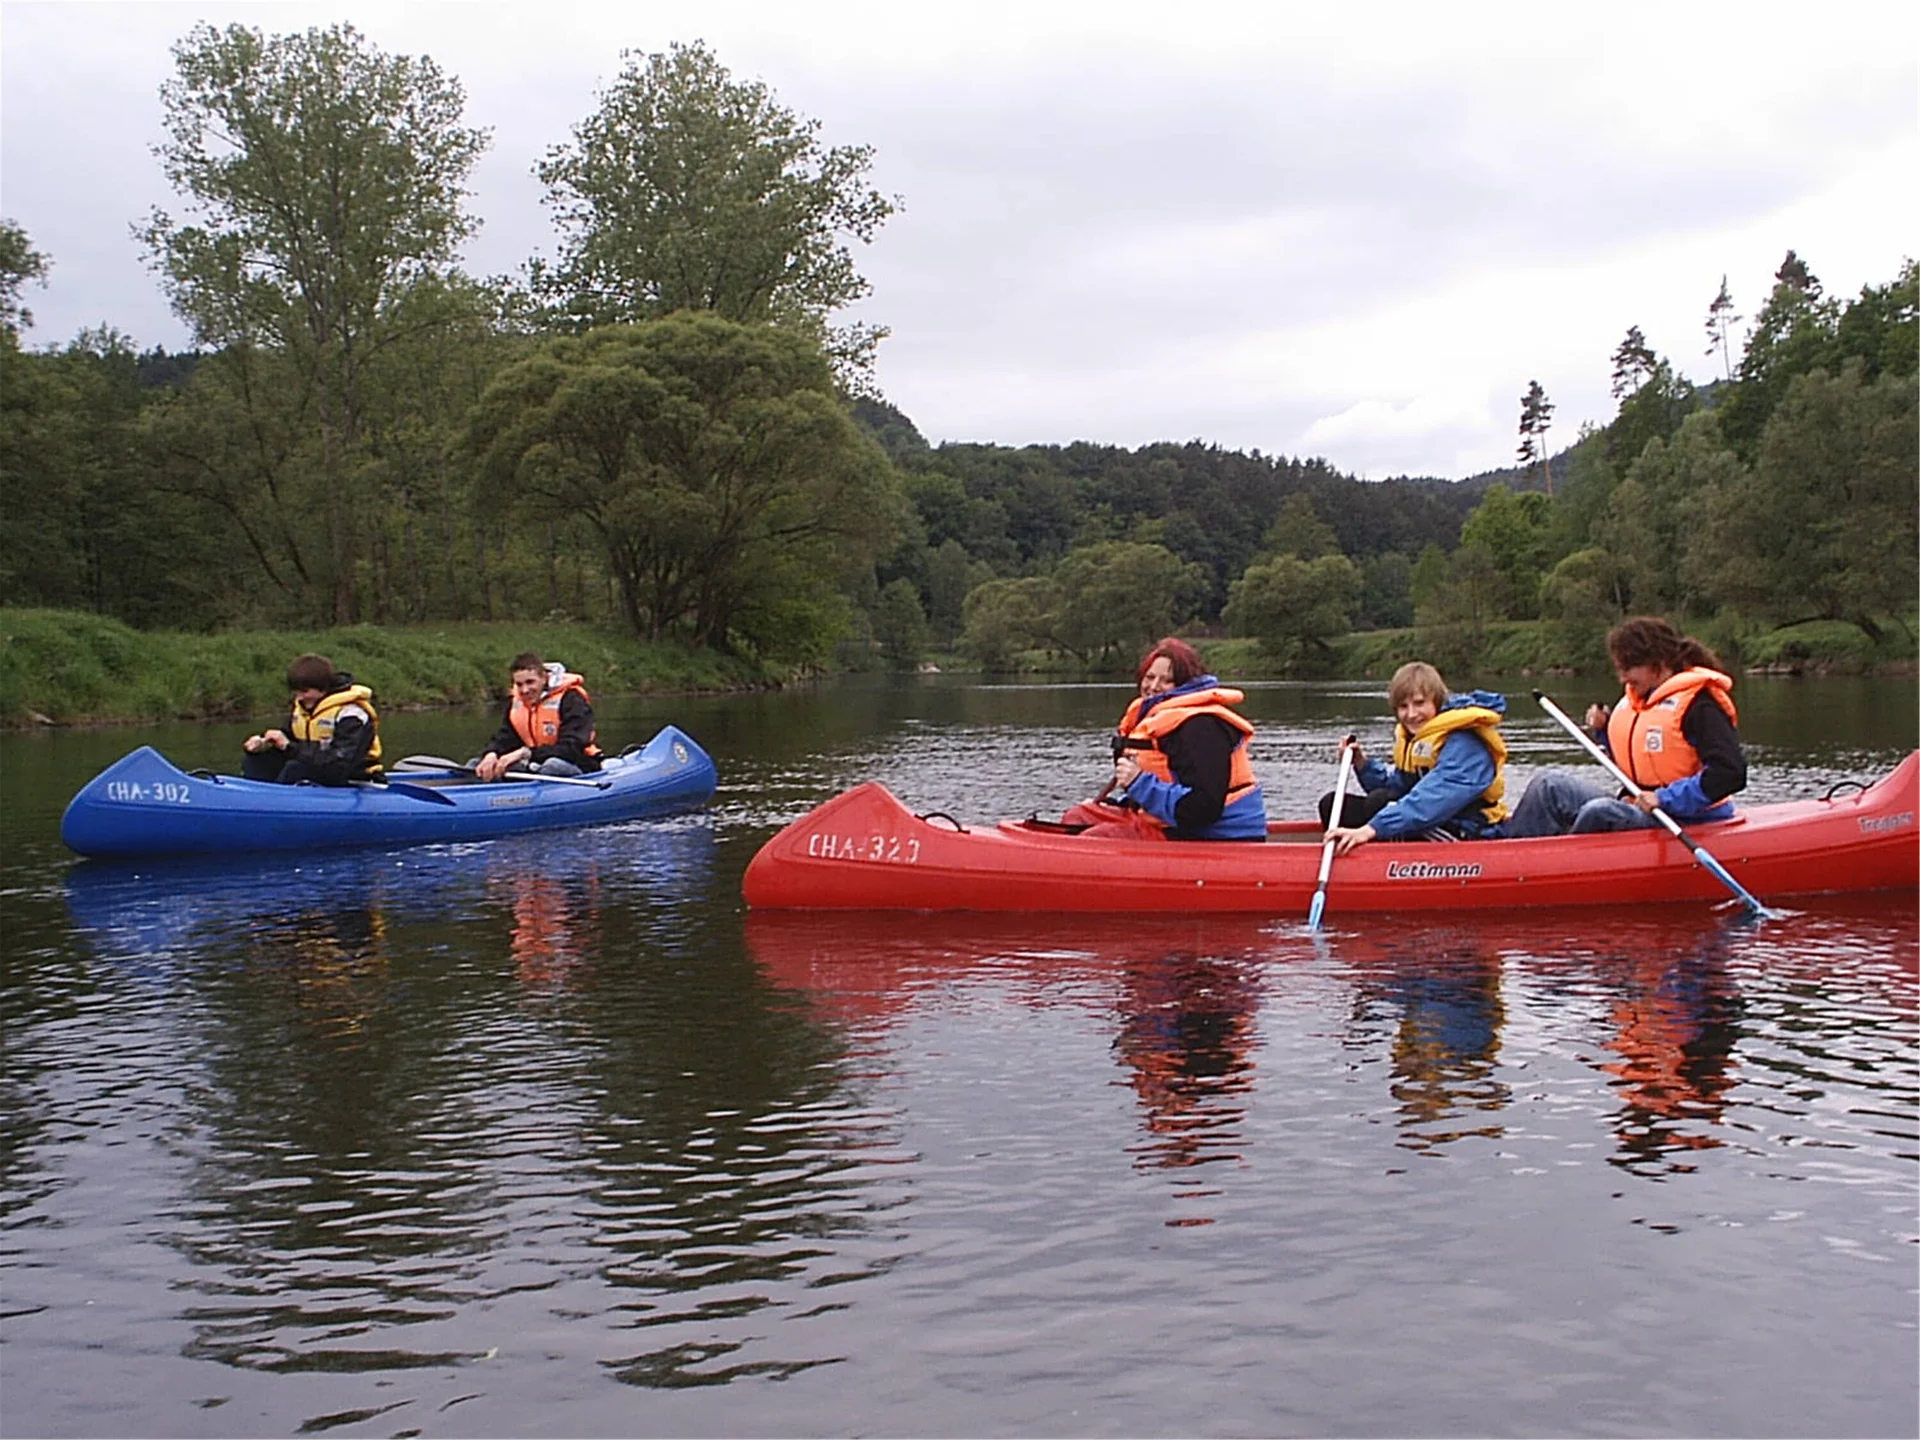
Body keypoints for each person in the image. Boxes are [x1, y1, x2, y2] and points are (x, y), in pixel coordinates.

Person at [1504, 617, 1746, 837]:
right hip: (1639, 805)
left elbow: (1730, 773)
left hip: (1688, 817)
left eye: (1627, 669)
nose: (1622, 679)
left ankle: (1557, 867)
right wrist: (1604, 729)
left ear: (1657, 663)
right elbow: (1643, 758)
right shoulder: (1639, 700)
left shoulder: (1700, 705)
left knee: (1599, 812)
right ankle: (1509, 857)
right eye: (1619, 670)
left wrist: (1664, 799)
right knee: (1549, 785)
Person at [1066, 637, 1267, 841]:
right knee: (1078, 816)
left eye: (1166, 680)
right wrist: (1122, 802)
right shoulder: (1152, 718)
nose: (1153, 687)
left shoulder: (1201, 725)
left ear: (1186, 684)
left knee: (1098, 838)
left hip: (1215, 833)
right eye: (1149, 677)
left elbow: (1204, 809)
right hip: (1169, 822)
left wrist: (1139, 783)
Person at [1321, 661, 1510, 855]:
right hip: (1430, 819)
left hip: (1468, 829)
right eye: (1403, 706)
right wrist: (1362, 764)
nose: (1411, 714)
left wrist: (1371, 829)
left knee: (1378, 803)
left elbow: (1432, 800)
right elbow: (1397, 787)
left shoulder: (1466, 743)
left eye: (1419, 703)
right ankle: (1350, 858)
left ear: (1436, 702)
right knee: (1333, 803)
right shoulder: (1416, 740)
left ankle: (1385, 865)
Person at [241, 653, 381, 786]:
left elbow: (340, 763)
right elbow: (289, 739)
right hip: (316, 772)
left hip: (353, 779)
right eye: (296, 691)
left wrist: (289, 747)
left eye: (305, 691)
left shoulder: (351, 714)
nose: (299, 697)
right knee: (258, 759)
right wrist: (263, 743)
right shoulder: (302, 710)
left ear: (323, 689)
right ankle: (252, 797)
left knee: (296, 768)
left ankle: (274, 804)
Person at [474, 652, 603, 781]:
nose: (525, 690)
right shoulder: (516, 702)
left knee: (552, 766)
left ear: (544, 678)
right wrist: (491, 754)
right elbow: (504, 737)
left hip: (577, 763)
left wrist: (526, 753)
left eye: (530, 682)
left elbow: (572, 748)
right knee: (476, 764)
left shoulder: (571, 699)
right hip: (533, 764)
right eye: (519, 684)